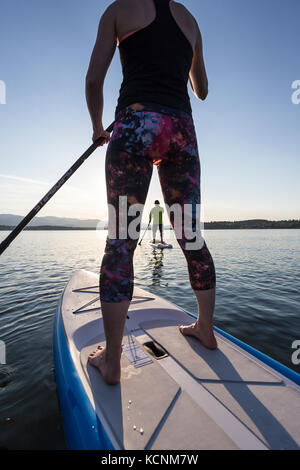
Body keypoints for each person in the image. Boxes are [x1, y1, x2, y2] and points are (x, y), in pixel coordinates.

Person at [85, 0, 217, 385]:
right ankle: (205, 328)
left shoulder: (118, 10)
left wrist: (97, 127)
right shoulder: (190, 20)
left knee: (122, 240)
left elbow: (94, 81)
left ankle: (112, 361)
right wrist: (183, 65)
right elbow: (202, 90)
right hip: (180, 131)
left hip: (135, 125)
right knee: (191, 236)